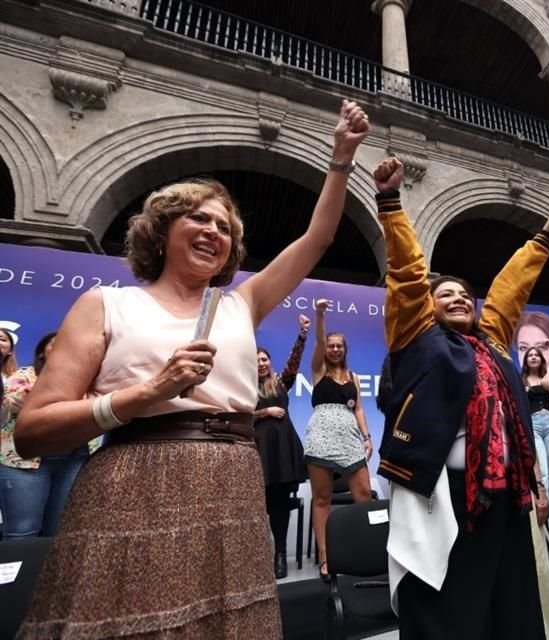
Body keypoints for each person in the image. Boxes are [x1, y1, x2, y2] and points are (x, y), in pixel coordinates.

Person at [13, 99, 369, 638]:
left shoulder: (242, 303)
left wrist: (341, 157)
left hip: (233, 481)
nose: (213, 231)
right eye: (198, 218)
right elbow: (33, 431)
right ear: (160, 231)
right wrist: (150, 391)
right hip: (134, 482)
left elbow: (317, 238)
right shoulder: (105, 305)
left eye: (224, 227)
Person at [375, 157, 549, 640]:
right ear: (428, 308)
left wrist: (541, 241)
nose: (459, 299)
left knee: (509, 605)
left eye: (464, 295)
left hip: (504, 495)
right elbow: (407, 276)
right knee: (451, 611)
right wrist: (391, 203)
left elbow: (507, 294)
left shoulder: (492, 343)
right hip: (444, 494)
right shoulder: (416, 336)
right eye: (446, 295)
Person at [305, 298, 373, 578]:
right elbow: (318, 341)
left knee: (365, 495)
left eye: (339, 346)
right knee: (322, 499)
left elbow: (359, 409)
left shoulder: (353, 377)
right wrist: (320, 315)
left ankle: (367, 550)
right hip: (321, 437)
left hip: (350, 439)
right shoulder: (318, 370)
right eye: (330, 346)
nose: (334, 349)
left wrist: (367, 437)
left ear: (345, 349)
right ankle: (326, 557)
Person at [0, 332, 90, 538]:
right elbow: (15, 402)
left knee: (59, 532)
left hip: (73, 458)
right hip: (24, 461)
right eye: (56, 344)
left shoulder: (87, 378)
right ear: (41, 352)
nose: (65, 347)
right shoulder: (23, 375)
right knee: (23, 533)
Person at [254, 314, 311, 579]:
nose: (261, 364)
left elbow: (294, 363)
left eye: (264, 360)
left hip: (283, 452)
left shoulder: (280, 382)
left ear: (270, 362)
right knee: (257, 506)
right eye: (256, 361)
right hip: (258, 452)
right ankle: (258, 557)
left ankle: (279, 555)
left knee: (279, 506)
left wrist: (302, 335)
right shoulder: (244, 387)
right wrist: (265, 412)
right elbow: (238, 415)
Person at [522, 346, 549, 533]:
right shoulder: (521, 379)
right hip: (533, 425)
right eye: (529, 355)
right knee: (543, 473)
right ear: (525, 360)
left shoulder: (546, 377)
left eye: (536, 355)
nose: (533, 357)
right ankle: (545, 517)